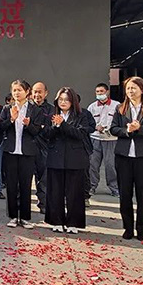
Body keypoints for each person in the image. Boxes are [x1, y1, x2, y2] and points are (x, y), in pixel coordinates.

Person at [110, 76, 143, 241]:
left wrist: (140, 128)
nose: (130, 91)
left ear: (142, 90)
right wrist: (127, 131)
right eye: (128, 88)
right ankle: (128, 228)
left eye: (133, 88)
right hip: (123, 156)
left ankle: (141, 229)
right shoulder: (120, 108)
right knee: (125, 194)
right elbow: (113, 129)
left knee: (142, 194)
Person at [45, 87, 96, 234]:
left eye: (66, 100)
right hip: (56, 157)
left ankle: (74, 223)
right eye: (60, 99)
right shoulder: (52, 115)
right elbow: (46, 134)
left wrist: (63, 124)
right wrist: (55, 127)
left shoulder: (82, 115)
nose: (63, 102)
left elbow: (80, 134)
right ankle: (56, 221)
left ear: (73, 101)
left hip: (75, 158)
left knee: (75, 193)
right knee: (55, 192)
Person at [0, 80, 44, 229]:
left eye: (20, 90)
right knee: (11, 185)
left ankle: (25, 217)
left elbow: (37, 131)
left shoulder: (35, 109)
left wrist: (28, 125)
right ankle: (12, 216)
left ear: (27, 91)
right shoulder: (7, 108)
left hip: (27, 152)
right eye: (14, 90)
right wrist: (11, 119)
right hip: (11, 151)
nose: (17, 93)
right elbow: (1, 127)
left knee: (25, 185)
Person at [87, 83, 120, 199]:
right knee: (93, 165)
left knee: (110, 165)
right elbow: (88, 123)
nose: (99, 94)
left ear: (107, 92)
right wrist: (96, 127)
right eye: (97, 92)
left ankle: (114, 188)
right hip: (95, 139)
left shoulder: (116, 106)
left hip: (111, 140)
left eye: (102, 91)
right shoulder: (92, 107)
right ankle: (91, 186)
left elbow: (120, 122)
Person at [31, 82, 54, 214]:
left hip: (44, 147)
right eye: (35, 91)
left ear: (46, 93)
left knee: (43, 178)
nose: (37, 95)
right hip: (28, 145)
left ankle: (44, 203)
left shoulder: (51, 110)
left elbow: (51, 129)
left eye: (40, 92)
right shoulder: (27, 107)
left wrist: (39, 127)